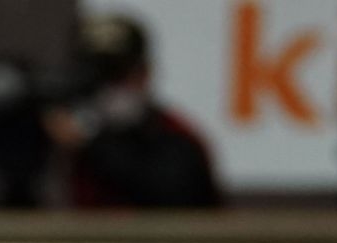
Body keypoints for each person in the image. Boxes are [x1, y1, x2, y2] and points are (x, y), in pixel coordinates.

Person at [44, 13, 221, 209]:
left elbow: (169, 194)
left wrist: (91, 141)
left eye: (117, 74)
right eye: (97, 76)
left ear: (144, 73)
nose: (108, 88)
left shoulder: (176, 135)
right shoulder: (62, 133)